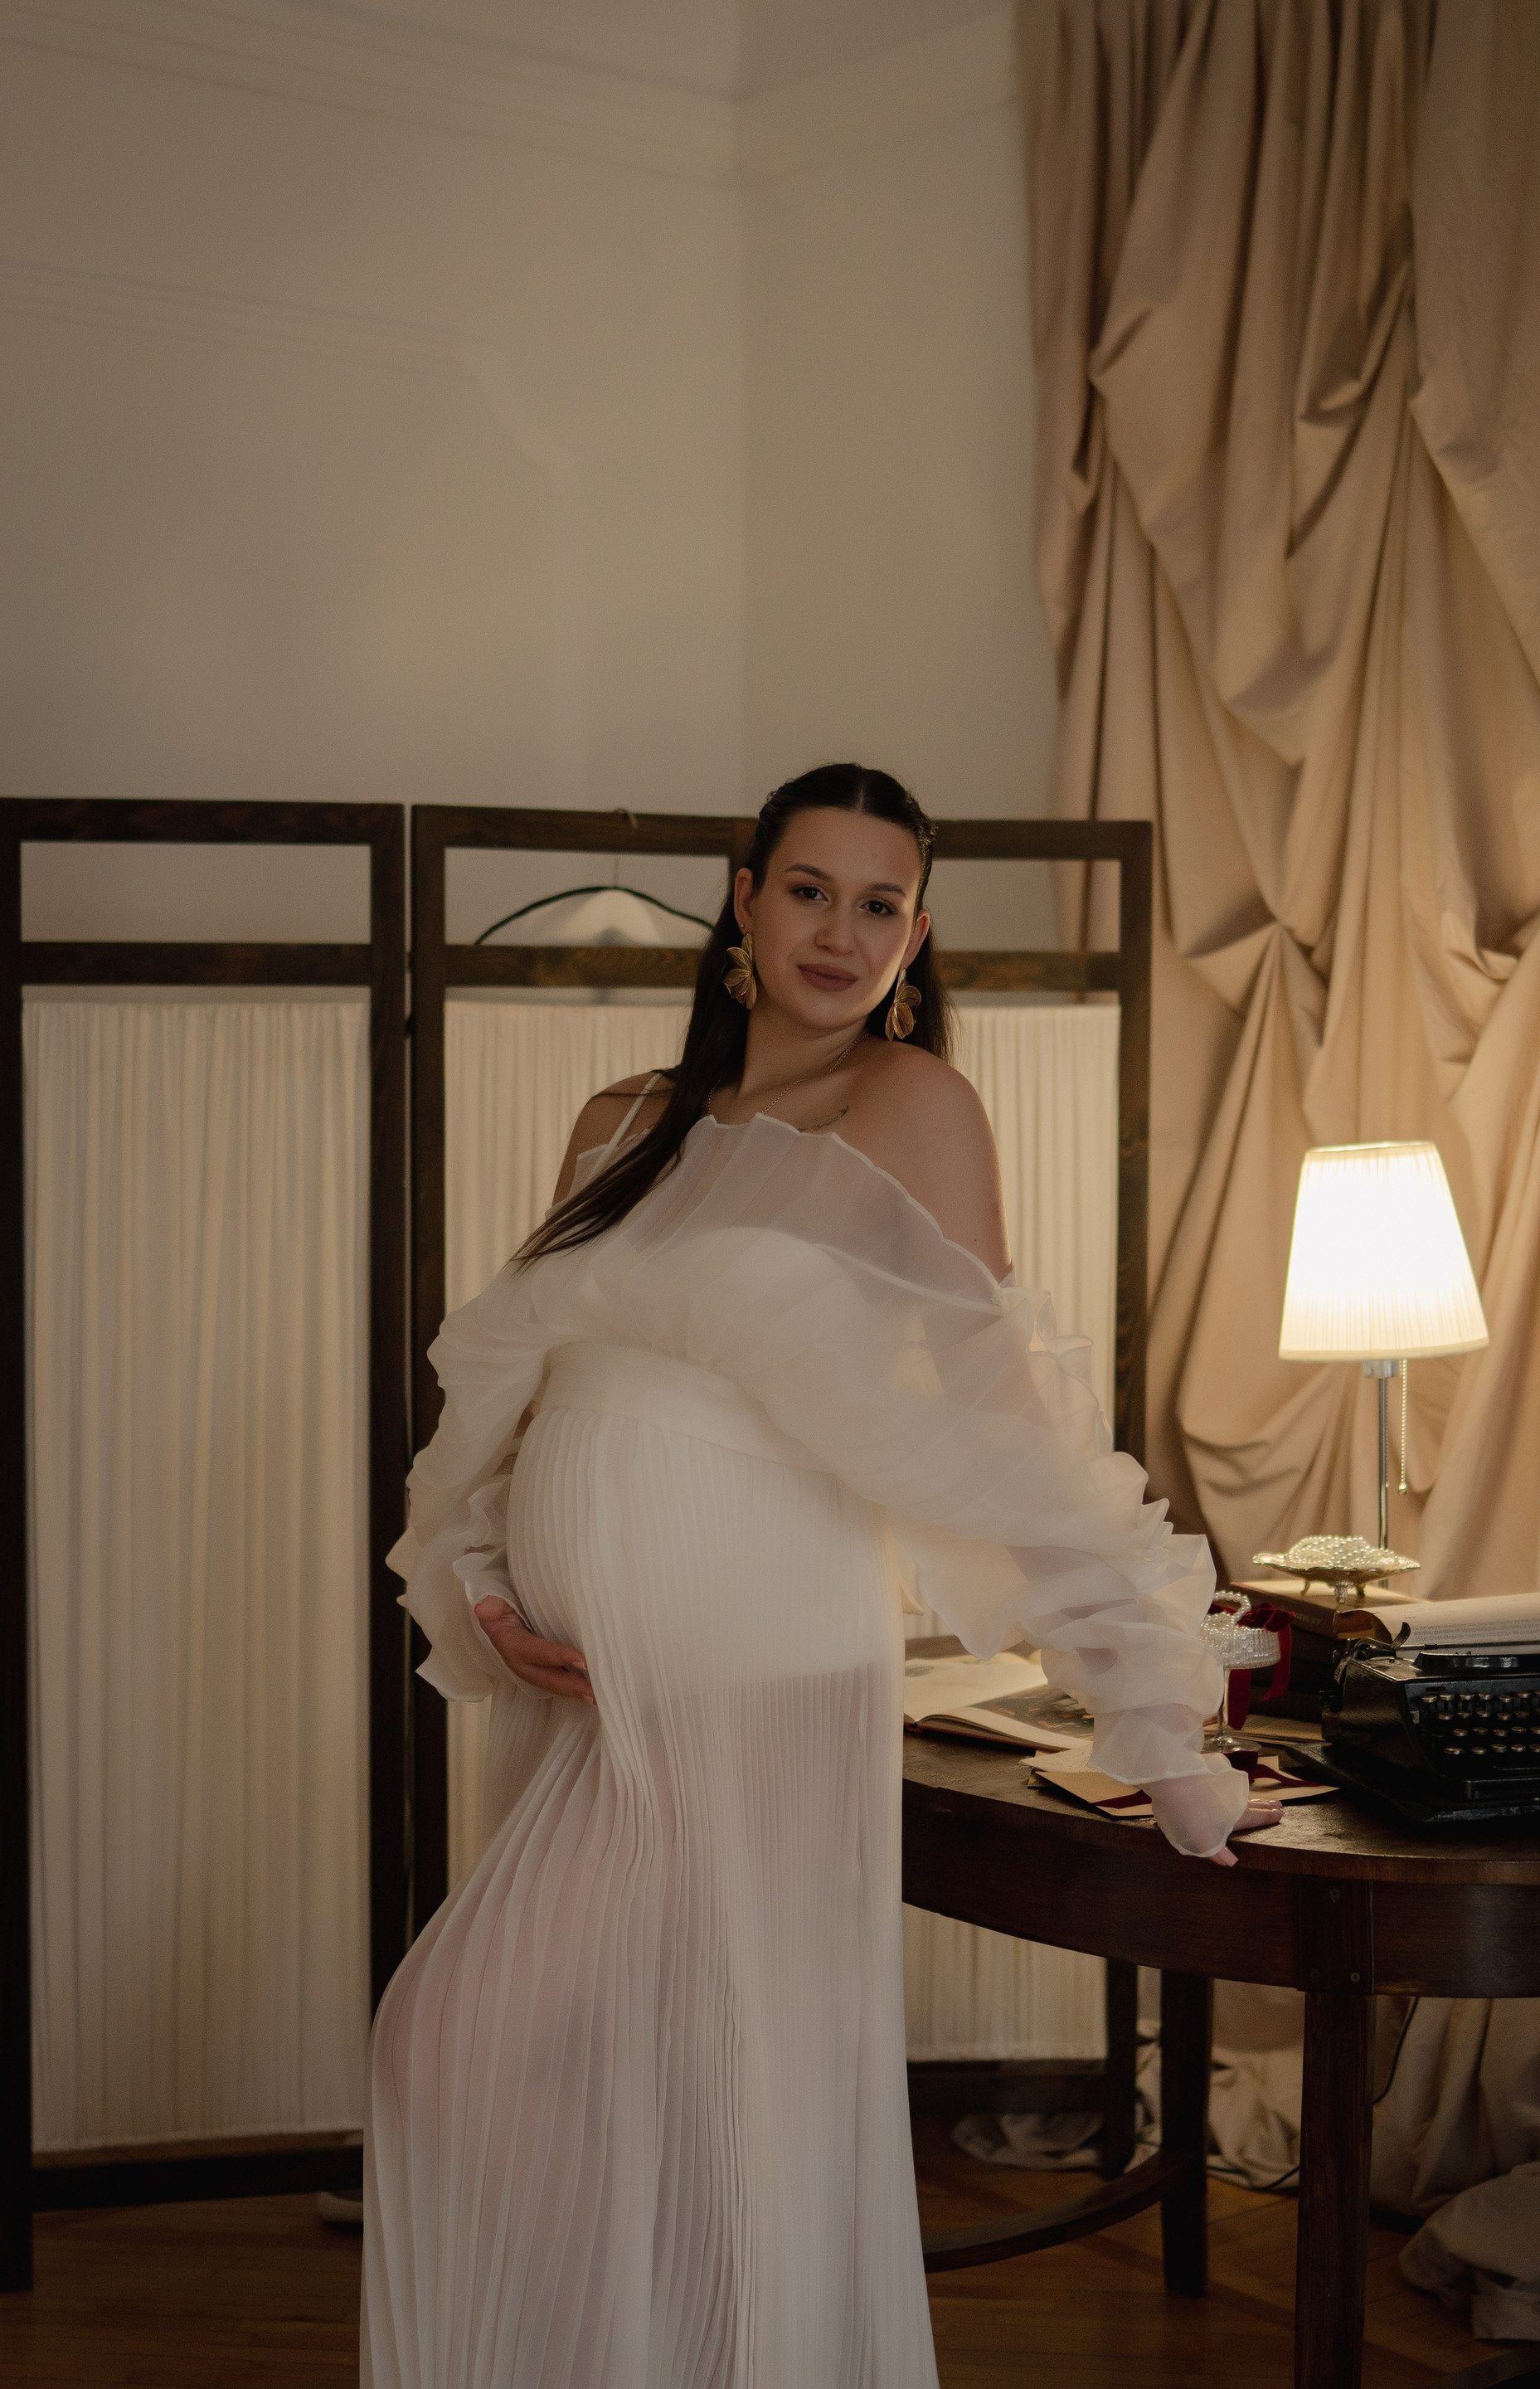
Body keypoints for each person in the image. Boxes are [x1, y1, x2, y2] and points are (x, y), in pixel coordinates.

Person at [362, 764, 1280, 2389]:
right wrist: (487, 1584)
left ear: (916, 933)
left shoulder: (909, 1105)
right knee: (575, 2073)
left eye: (879, 904)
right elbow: (513, 1399)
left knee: (543, 2055)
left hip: (762, 1675)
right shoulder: (624, 1122)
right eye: (808, 890)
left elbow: (1010, 1432)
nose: (840, 932)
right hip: (600, 1697)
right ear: (744, 897)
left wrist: (1162, 1734)